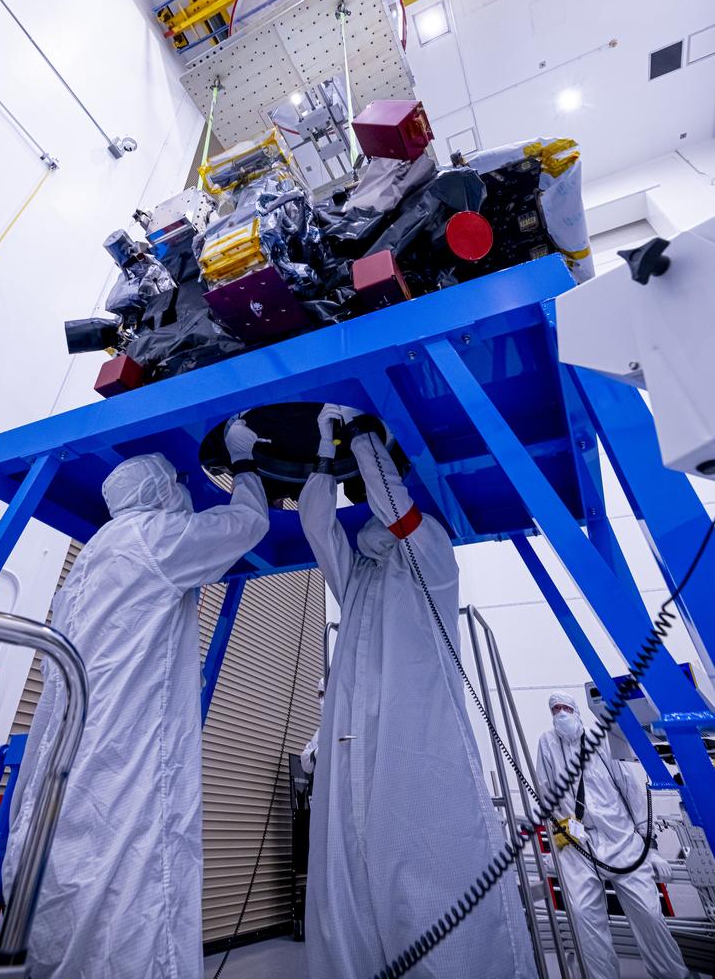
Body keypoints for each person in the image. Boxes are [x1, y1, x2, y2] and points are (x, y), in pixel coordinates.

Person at [2, 417, 268, 979]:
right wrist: (245, 463)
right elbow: (247, 524)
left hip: (72, 755)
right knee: (137, 879)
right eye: (178, 485)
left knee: (76, 878)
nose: (184, 494)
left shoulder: (93, 556)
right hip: (128, 753)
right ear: (158, 492)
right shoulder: (155, 538)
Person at [298, 404, 538, 979]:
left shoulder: (430, 553)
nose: (369, 520)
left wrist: (360, 433)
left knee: (427, 876)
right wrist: (327, 449)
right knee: (348, 886)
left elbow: (393, 505)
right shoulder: (359, 576)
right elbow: (314, 524)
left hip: (415, 741)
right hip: (353, 744)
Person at [537, 691, 698, 979]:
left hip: (621, 838)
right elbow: (547, 792)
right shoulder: (547, 744)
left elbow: (633, 793)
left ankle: (674, 975)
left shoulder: (602, 740)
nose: (560, 714)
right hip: (578, 844)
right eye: (555, 709)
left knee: (649, 914)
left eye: (565, 708)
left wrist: (651, 848)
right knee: (584, 918)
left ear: (576, 711)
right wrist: (557, 844)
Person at [301, 677, 326, 775]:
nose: (322, 700)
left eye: (325, 693)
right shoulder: (321, 731)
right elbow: (305, 760)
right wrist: (315, 753)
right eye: (320, 695)